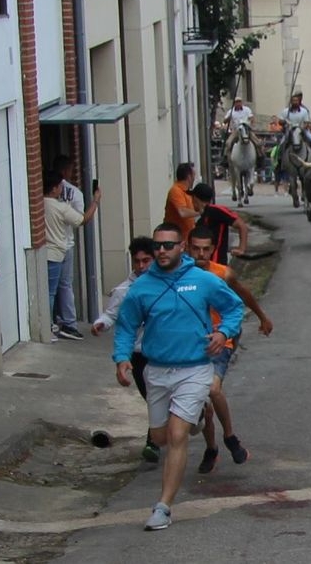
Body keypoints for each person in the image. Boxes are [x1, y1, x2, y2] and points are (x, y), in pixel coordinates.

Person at [113, 223, 244, 531]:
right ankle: (198, 415)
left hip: (195, 368)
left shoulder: (202, 280)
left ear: (181, 247)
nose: (161, 251)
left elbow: (234, 309)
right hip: (156, 369)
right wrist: (121, 358)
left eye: (168, 245)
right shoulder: (142, 287)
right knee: (159, 437)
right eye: (158, 246)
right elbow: (126, 326)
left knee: (175, 435)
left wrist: (223, 332)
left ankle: (163, 507)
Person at [186, 227, 274, 474]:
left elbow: (243, 294)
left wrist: (262, 317)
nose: (201, 254)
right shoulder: (179, 275)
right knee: (202, 400)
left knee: (212, 389)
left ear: (213, 250)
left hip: (219, 341)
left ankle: (230, 437)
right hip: (188, 345)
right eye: (196, 248)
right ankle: (211, 447)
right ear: (187, 247)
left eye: (206, 249)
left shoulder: (222, 274)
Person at [91, 237, 159, 462]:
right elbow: (112, 314)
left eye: (146, 260)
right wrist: (101, 323)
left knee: (165, 397)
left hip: (165, 352)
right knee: (152, 398)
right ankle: (154, 441)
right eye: (137, 261)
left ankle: (162, 436)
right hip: (139, 355)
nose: (141, 266)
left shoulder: (167, 284)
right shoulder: (124, 290)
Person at [43, 171, 100, 341]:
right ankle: (50, 327)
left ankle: (52, 324)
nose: (62, 188)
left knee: (50, 290)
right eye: (60, 186)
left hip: (45, 251)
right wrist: (96, 201)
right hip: (56, 252)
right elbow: (82, 220)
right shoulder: (60, 207)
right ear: (54, 189)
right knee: (52, 291)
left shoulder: (39, 203)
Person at [52, 156, 93, 340]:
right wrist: (96, 201)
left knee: (52, 287)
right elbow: (80, 219)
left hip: (49, 244)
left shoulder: (43, 194)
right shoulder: (74, 192)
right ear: (67, 171)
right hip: (65, 243)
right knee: (65, 285)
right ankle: (69, 323)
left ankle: (55, 320)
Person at [188, 183, 248, 265]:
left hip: (218, 262)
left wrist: (241, 248)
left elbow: (241, 225)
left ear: (195, 198)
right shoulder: (201, 220)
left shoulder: (216, 210)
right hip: (205, 264)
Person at [163, 162, 199, 242]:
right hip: (175, 241)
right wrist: (201, 211)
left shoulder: (187, 192)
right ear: (189, 177)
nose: (194, 179)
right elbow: (182, 212)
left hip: (185, 240)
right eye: (193, 176)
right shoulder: (175, 191)